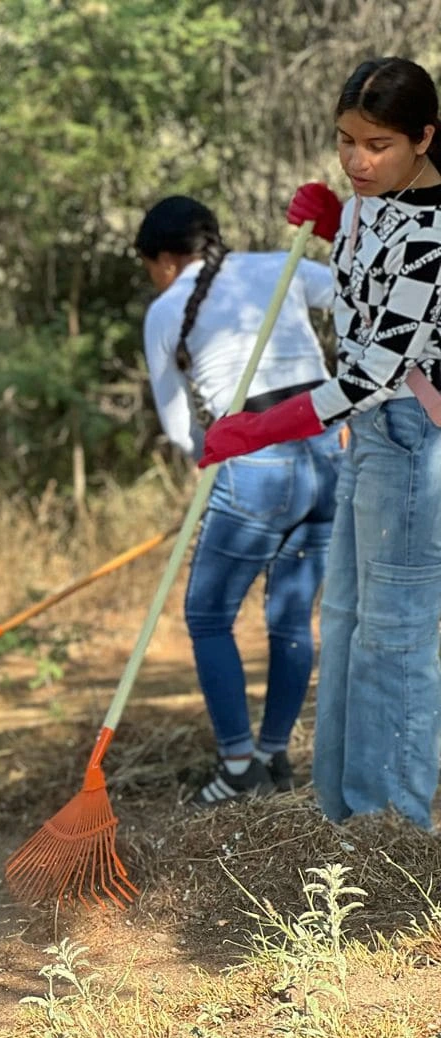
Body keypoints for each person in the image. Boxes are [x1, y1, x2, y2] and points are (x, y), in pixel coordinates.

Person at [201, 57, 441, 830]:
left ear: (423, 138)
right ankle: (343, 815)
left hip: (413, 440)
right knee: (341, 617)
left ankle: (391, 828)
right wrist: (339, 224)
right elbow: (361, 295)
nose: (356, 161)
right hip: (367, 438)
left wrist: (260, 427)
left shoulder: (435, 235)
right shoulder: (377, 203)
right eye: (345, 141)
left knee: (394, 635)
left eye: (377, 145)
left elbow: (372, 370)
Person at [135, 196, 342, 805]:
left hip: (258, 463)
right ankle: (275, 753)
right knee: (290, 617)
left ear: (167, 260)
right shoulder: (279, 266)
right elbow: (355, 295)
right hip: (331, 450)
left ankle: (238, 765)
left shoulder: (166, 309)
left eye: (149, 265)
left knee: (206, 616)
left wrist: (213, 470)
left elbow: (180, 430)